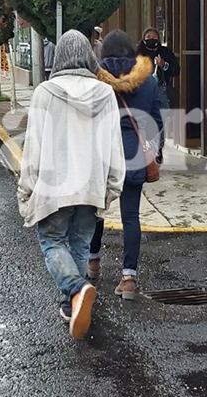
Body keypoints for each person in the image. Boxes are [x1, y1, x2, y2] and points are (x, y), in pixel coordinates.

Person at [17, 30, 126, 339]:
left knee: (52, 241)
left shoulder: (45, 92)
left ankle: (77, 290)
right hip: (90, 185)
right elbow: (113, 145)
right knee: (79, 244)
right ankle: (70, 305)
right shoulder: (105, 93)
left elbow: (34, 146)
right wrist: (113, 184)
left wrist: (26, 188)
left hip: (54, 187)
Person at [90, 30, 164, 300]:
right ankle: (129, 277)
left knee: (96, 211)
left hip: (102, 155)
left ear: (104, 53)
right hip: (134, 156)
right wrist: (155, 151)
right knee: (130, 216)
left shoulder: (96, 80)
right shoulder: (149, 81)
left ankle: (93, 261)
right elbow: (155, 120)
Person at [137, 27, 180, 109]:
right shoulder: (138, 53)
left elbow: (176, 70)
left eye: (154, 37)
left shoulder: (165, 52)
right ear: (143, 39)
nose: (151, 39)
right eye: (148, 37)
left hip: (161, 90)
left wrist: (163, 65)